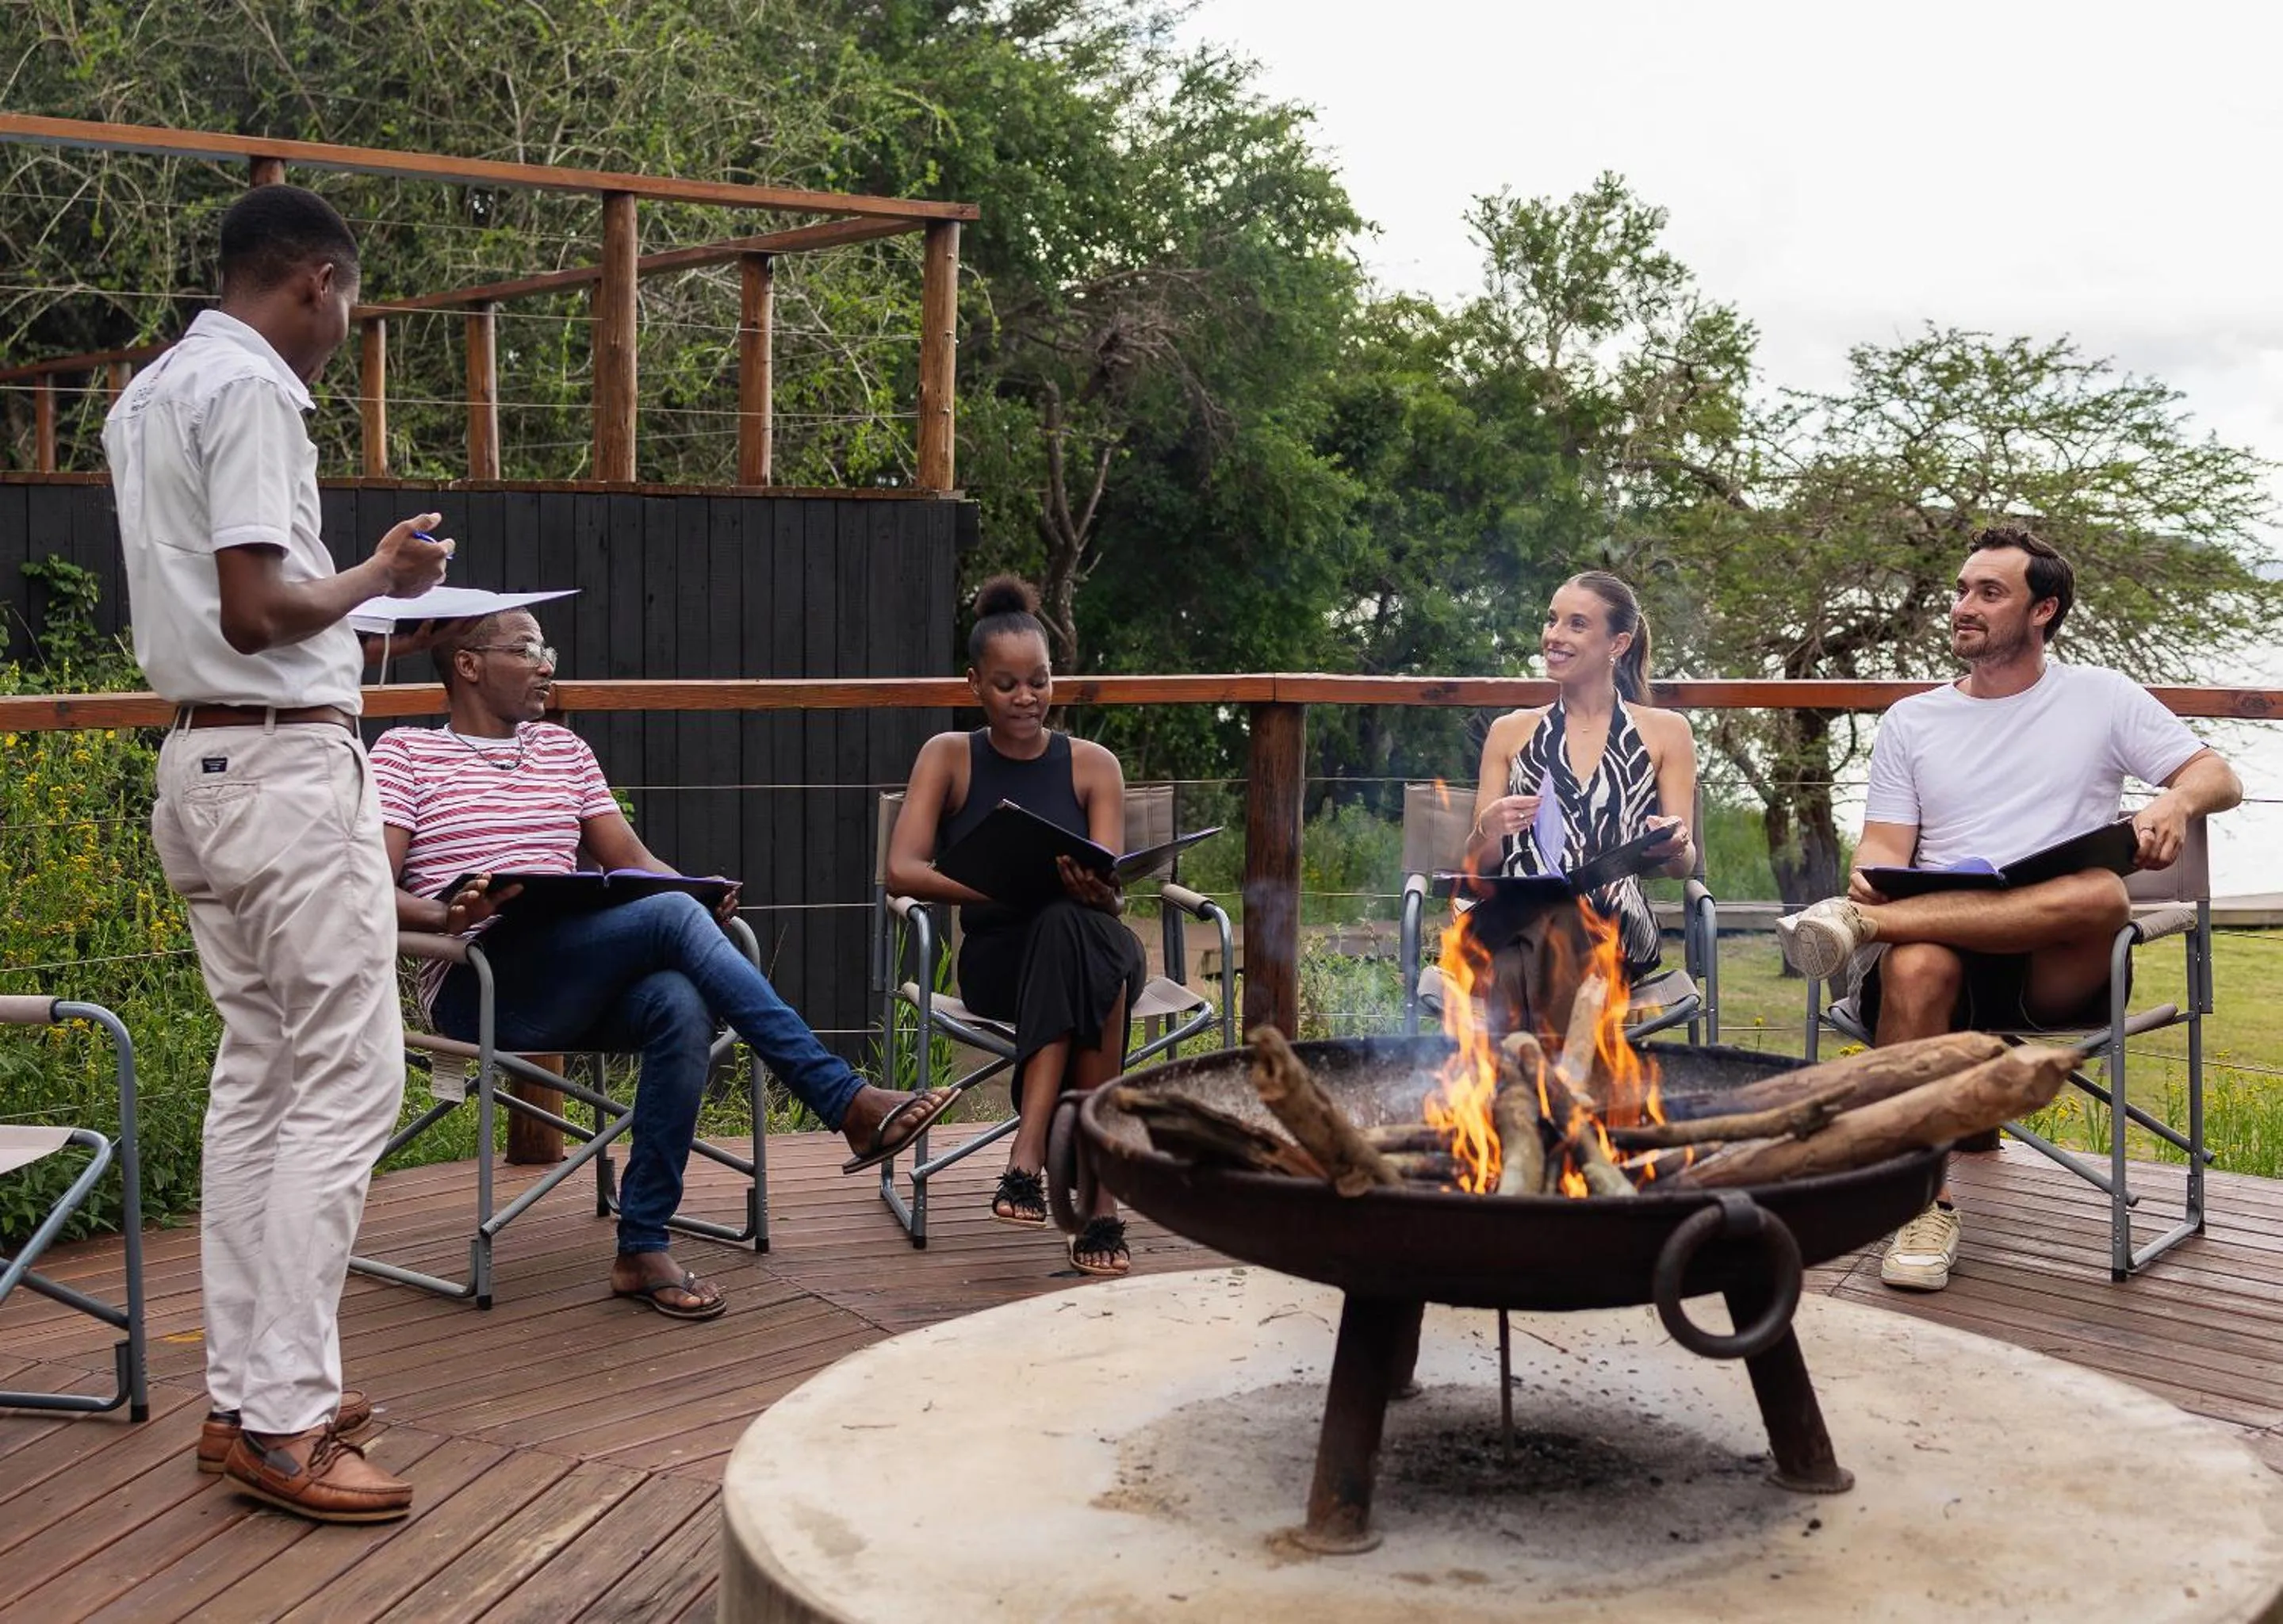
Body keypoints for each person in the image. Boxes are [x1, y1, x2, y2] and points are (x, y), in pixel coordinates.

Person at [105, 185, 457, 1522]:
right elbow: (256, 610)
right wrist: (376, 578)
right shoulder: (252, 390)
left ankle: (246, 1392)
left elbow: (227, 612)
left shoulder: (149, 393)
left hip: (202, 762)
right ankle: (289, 1419)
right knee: (351, 1079)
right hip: (283, 774)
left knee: (258, 1071)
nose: (346, 325)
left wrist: (370, 631)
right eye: (350, 300)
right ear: (314, 279)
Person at [370, 611, 957, 1320]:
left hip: (575, 973)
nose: (547, 665)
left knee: (678, 1001)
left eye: (546, 649)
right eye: (528, 650)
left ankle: (641, 1245)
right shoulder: (404, 754)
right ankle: (845, 1101)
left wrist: (698, 892)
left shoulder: (564, 750)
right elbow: (370, 884)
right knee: (674, 919)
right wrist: (445, 915)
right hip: (479, 979)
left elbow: (635, 865)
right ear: (466, 664)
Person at [1775, 526, 2242, 1292]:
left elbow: (2215, 773)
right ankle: (1918, 1202)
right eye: (1962, 589)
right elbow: (1883, 845)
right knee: (1919, 961)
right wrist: (1870, 880)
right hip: (1940, 958)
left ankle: (1865, 929)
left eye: (1988, 592)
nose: (1963, 605)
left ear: (2042, 611)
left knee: (2099, 892)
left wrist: (2175, 803)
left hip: (2056, 968)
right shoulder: (1912, 720)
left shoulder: (2100, 697)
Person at [884, 576, 1147, 1277]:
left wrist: (1101, 893)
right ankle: (1099, 1206)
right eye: (1006, 685)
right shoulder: (948, 756)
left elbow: (1111, 892)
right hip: (1000, 962)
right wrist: (993, 882)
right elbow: (900, 871)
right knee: (1088, 956)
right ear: (974, 684)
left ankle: (1026, 1158)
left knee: (1078, 924)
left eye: (1038, 681)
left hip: (1090, 942)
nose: (1026, 697)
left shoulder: (1096, 766)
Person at [1462, 571, 1699, 1026]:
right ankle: (1572, 1083)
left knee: (1546, 932)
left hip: (1613, 926)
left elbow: (1681, 865)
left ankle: (1523, 1080)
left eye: (1576, 624)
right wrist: (1488, 829)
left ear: (1617, 644)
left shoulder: (1667, 732)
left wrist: (1674, 843)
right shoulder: (1510, 732)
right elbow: (1477, 864)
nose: (1554, 635)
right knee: (1538, 925)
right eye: (1552, 621)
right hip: (1514, 916)